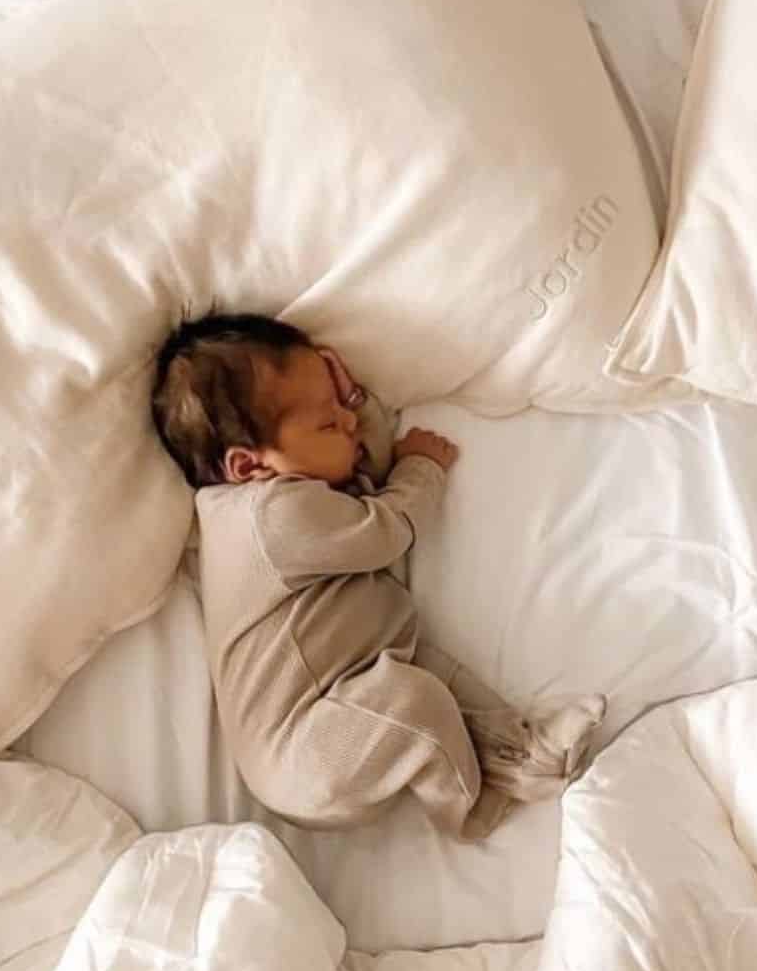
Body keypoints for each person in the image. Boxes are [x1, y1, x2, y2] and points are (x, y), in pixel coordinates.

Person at [151, 313, 605, 839]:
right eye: (328, 421)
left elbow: (365, 471)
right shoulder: (266, 517)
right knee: (416, 699)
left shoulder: (292, 494)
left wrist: (355, 405)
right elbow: (386, 528)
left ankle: (526, 754)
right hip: (303, 753)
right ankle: (473, 809)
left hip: (357, 687)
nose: (348, 425)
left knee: (436, 677)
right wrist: (423, 469)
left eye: (342, 410)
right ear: (249, 467)